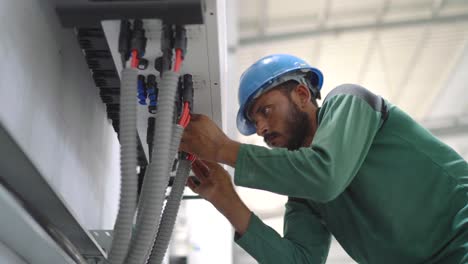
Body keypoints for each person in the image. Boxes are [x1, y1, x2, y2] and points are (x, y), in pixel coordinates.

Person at [180, 54, 468, 263]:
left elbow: (325, 175)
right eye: (254, 123)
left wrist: (222, 148)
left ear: (302, 94)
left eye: (265, 111)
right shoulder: (305, 190)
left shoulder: (348, 101)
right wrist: (225, 199)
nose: (261, 129)